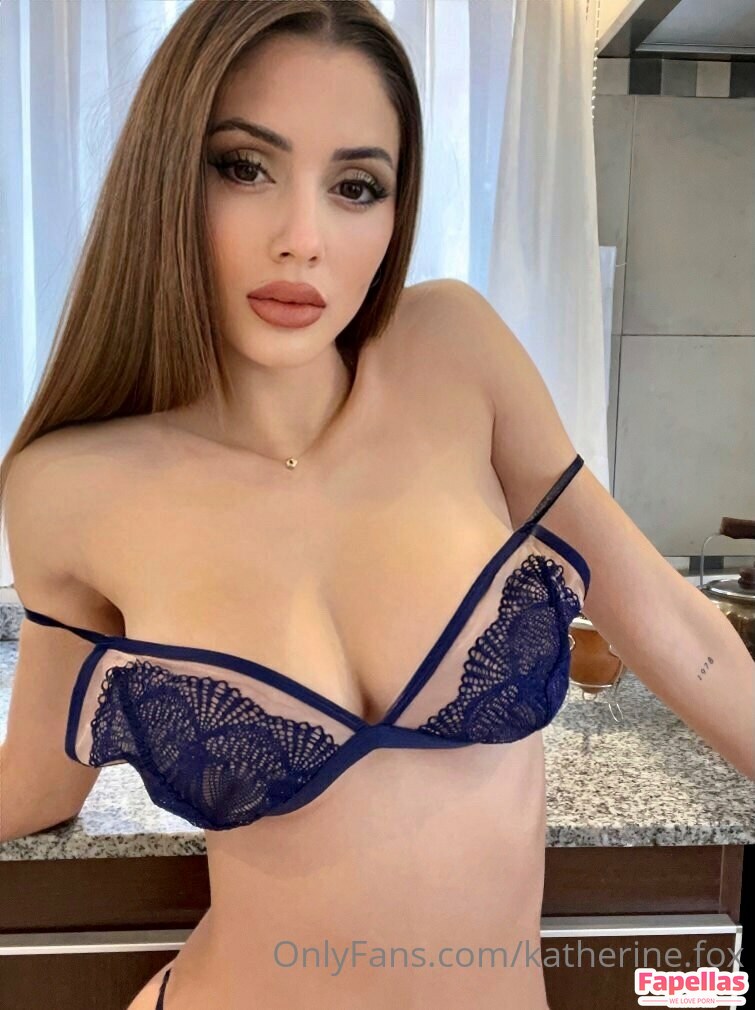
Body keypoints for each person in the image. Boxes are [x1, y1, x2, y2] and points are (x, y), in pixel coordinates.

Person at [2, 3, 753, 1010]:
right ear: (168, 176)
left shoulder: (453, 352)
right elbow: (37, 784)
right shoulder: (70, 486)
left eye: (355, 186)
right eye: (244, 167)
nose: (302, 241)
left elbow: (665, 620)